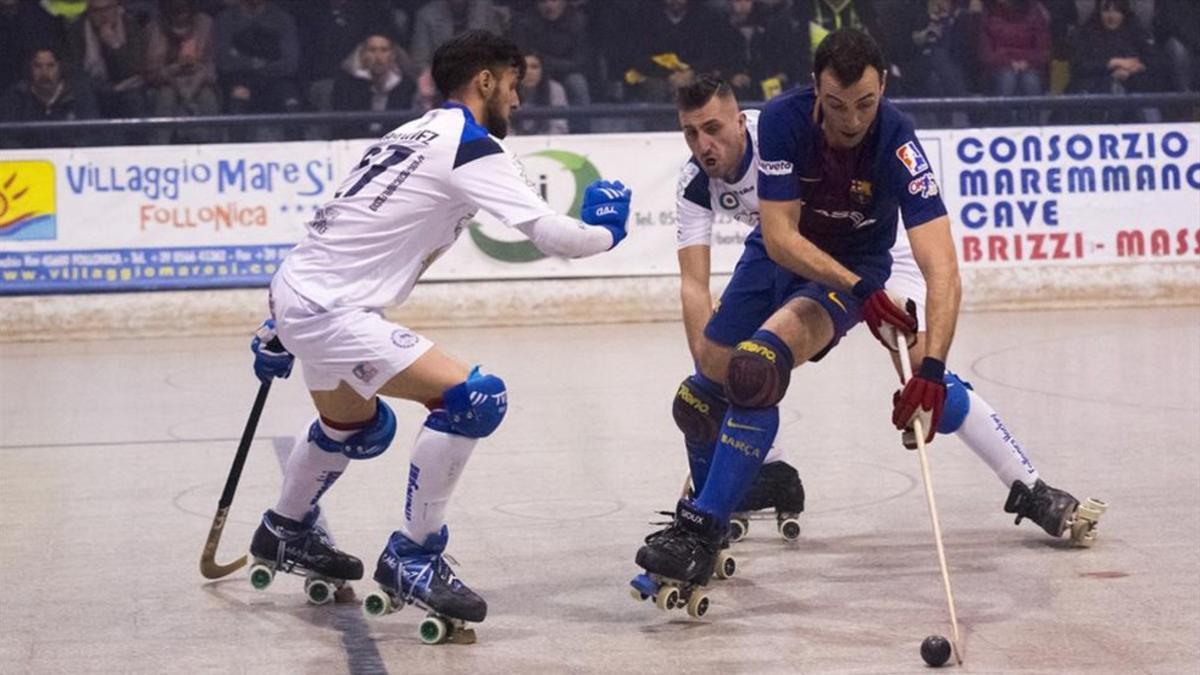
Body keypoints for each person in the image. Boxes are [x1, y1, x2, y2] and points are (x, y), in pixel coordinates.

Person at [636, 31, 1089, 594]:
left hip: (870, 256)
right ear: (815, 91)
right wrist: (718, 368)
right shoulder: (781, 122)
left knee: (920, 382)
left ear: (884, 88)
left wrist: (928, 368)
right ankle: (729, 502)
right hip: (791, 249)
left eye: (866, 103)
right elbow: (776, 239)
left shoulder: (898, 138)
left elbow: (942, 267)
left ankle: (1030, 485)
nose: (852, 120)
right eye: (836, 105)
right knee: (704, 391)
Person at [246, 30, 632, 636]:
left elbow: (339, 223)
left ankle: (284, 529)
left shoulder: (407, 132)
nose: (518, 100)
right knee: (473, 399)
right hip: (331, 308)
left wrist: (278, 322)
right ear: (486, 80)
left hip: (303, 290)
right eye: (514, 85)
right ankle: (413, 556)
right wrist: (607, 229)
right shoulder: (470, 145)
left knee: (354, 426)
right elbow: (552, 236)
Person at [330, 31, 417, 139]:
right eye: (372, 50)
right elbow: (341, 126)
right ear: (363, 54)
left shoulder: (406, 86)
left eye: (384, 50)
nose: (378, 57)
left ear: (393, 55)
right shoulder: (346, 84)